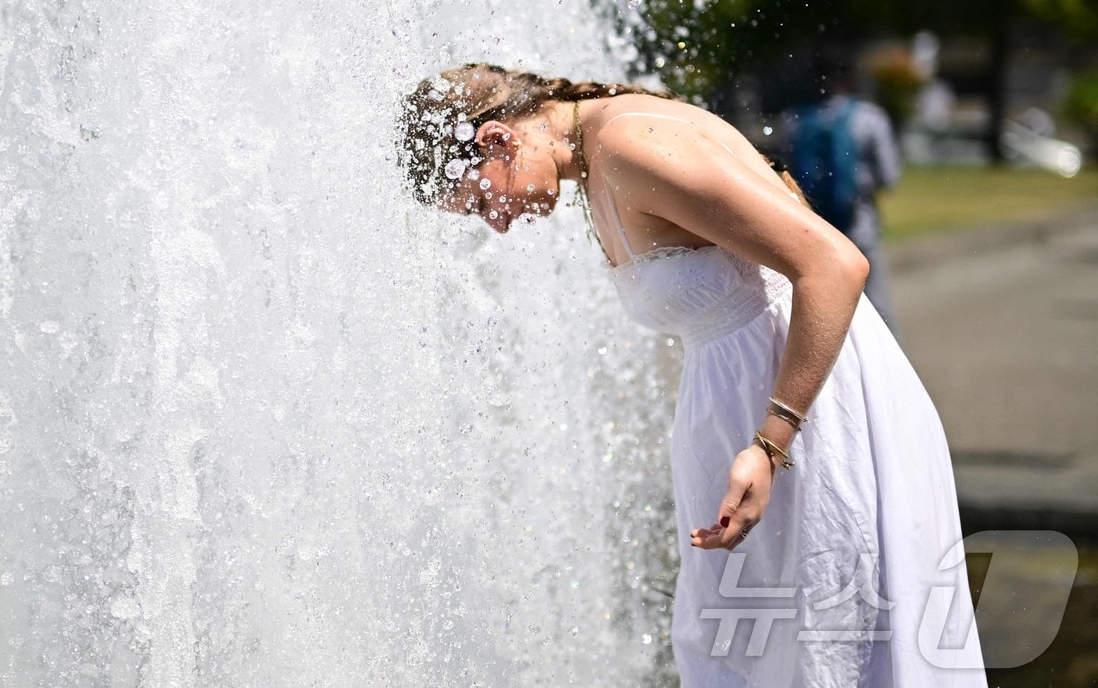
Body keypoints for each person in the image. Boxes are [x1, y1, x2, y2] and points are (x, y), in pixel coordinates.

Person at [400, 63, 984, 686]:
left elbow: (834, 264)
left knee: (830, 645)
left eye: (481, 198)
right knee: (759, 648)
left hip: (810, 421)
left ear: (496, 140)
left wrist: (770, 444)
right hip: (752, 421)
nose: (496, 221)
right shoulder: (599, 159)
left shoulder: (628, 145)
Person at [779, 53, 903, 333]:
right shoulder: (869, 118)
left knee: (815, 304)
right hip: (859, 222)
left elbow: (788, 173)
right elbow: (889, 177)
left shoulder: (795, 119)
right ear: (848, 78)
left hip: (811, 225)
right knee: (875, 302)